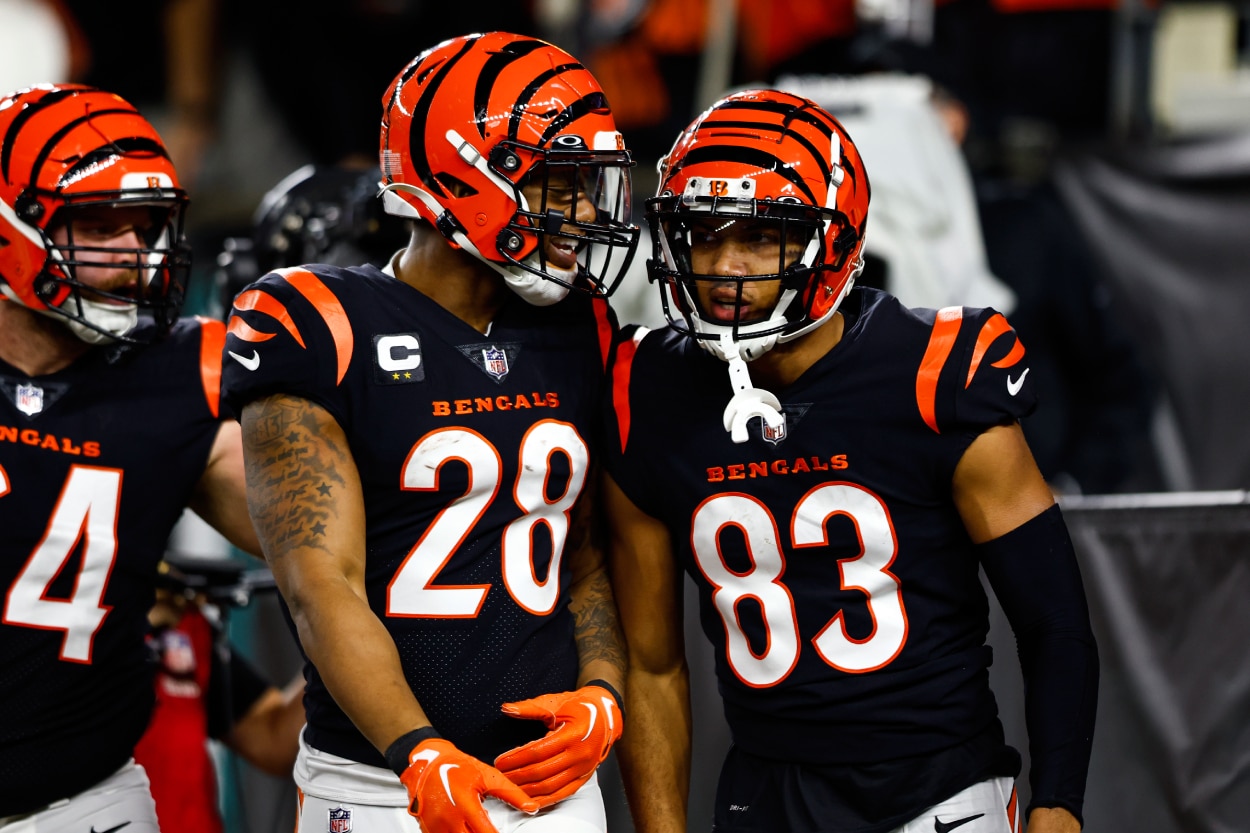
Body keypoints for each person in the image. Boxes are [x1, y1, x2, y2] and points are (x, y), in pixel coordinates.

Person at [603, 89, 1099, 833]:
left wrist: (1058, 806)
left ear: (829, 244)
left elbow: (1054, 620)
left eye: (761, 237)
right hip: (763, 792)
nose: (723, 267)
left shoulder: (936, 373)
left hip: (938, 790)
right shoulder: (646, 388)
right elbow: (650, 663)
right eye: (702, 234)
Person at [220, 32, 639, 833]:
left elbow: (581, 555)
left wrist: (602, 694)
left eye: (588, 186)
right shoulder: (319, 322)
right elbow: (321, 584)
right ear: (462, 177)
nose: (584, 213)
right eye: (559, 184)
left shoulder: (582, 323)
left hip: (551, 781)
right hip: (384, 785)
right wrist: (418, 749)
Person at [0, 83, 260, 830]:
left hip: (85, 802)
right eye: (99, 224)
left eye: (144, 227)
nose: (133, 256)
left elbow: (322, 537)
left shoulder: (187, 371)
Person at [134, 559, 305, 833]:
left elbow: (273, 739)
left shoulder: (183, 623)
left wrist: (334, 645)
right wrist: (131, 625)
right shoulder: (63, 629)